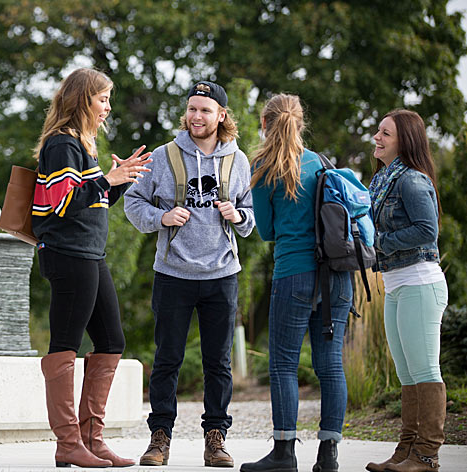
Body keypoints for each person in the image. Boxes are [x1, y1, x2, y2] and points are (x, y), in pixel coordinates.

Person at [124, 80, 254, 467]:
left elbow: (252, 218)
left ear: (221, 116)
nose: (197, 116)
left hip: (221, 274)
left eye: (205, 110)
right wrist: (160, 216)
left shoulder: (238, 161)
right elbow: (133, 201)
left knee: (219, 362)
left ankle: (216, 437)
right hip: (173, 273)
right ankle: (159, 437)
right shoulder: (164, 156)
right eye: (192, 109)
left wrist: (240, 214)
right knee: (167, 359)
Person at [32, 67, 152, 469]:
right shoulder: (62, 144)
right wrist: (107, 179)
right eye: (103, 99)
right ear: (84, 100)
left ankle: (90, 438)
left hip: (89, 254)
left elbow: (92, 202)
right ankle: (68, 443)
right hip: (68, 254)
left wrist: (121, 180)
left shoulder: (86, 146)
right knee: (65, 342)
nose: (108, 107)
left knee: (112, 340)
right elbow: (62, 202)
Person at [241, 94, 352, 472]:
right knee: (331, 366)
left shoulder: (264, 166)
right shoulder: (321, 163)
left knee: (285, 364)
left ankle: (284, 453)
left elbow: (267, 231)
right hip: (337, 277)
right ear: (300, 122)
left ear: (265, 123)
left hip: (294, 274)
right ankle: (328, 455)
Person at [364, 109, 448, 472]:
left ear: (404, 141)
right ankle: (406, 451)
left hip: (420, 283)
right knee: (408, 374)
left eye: (385, 134)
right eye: (378, 132)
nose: (377, 138)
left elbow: (427, 231)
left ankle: (427, 455)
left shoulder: (411, 181)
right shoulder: (382, 179)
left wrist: (378, 243)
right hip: (397, 284)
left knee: (425, 370)